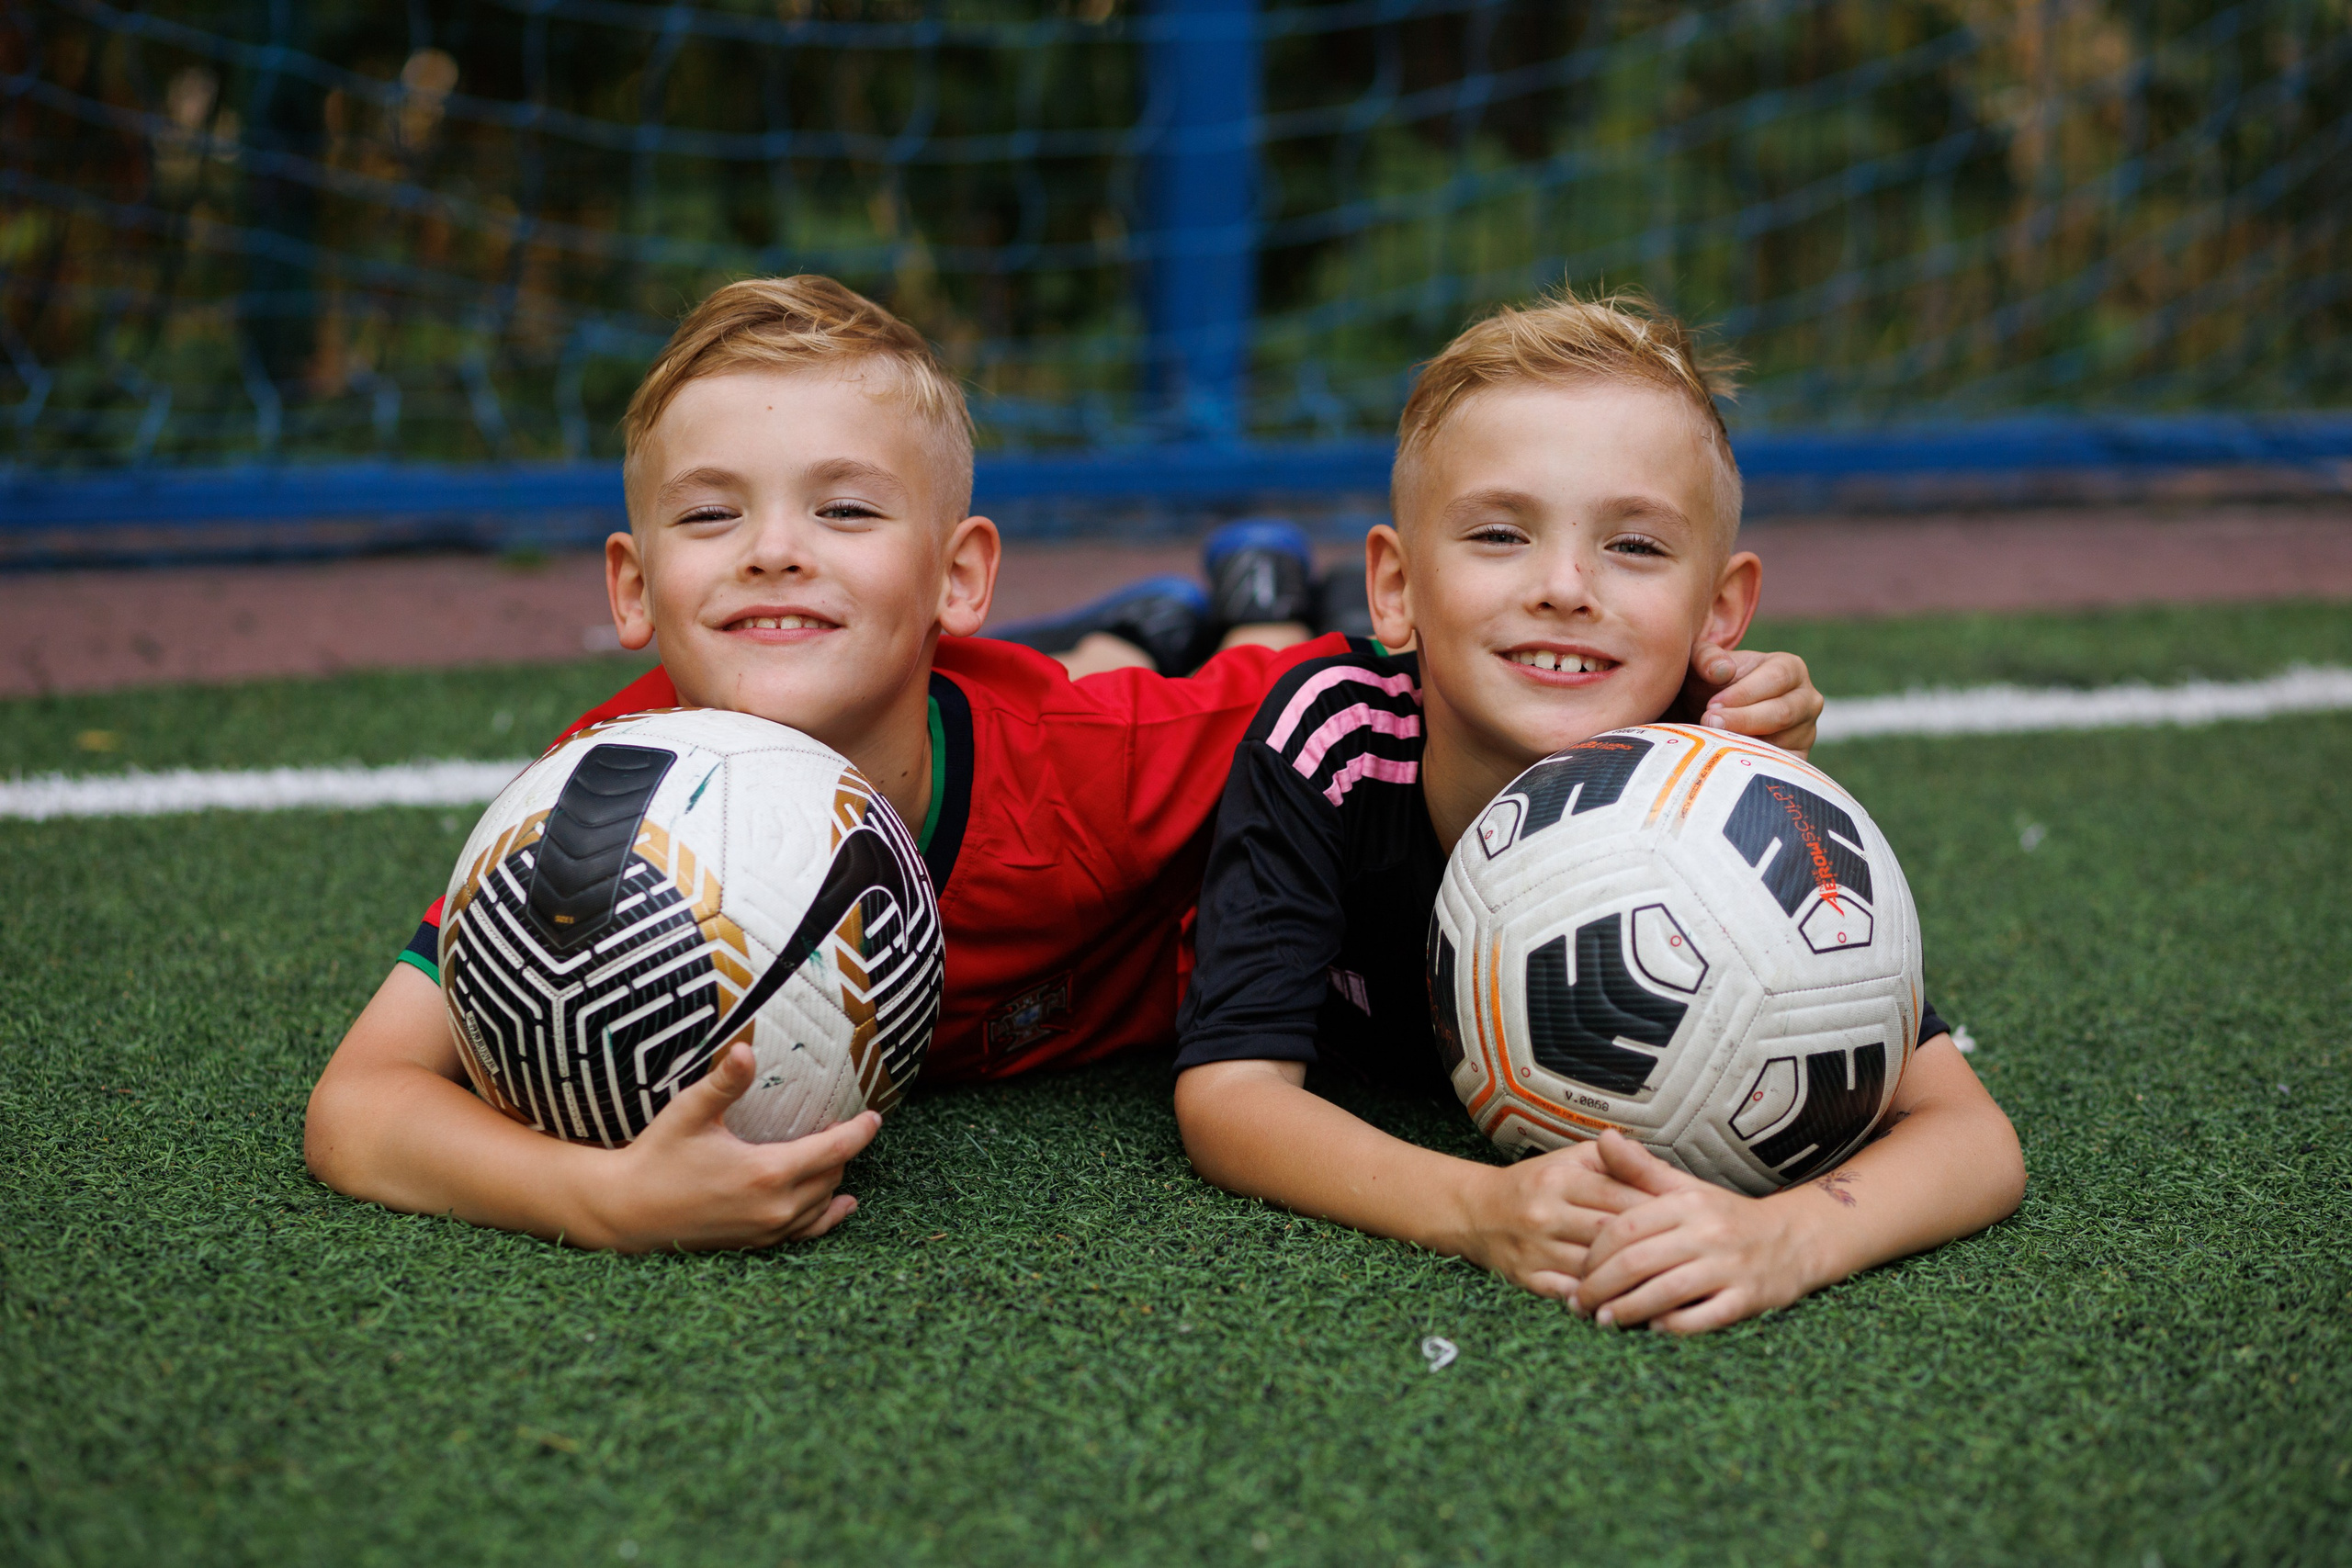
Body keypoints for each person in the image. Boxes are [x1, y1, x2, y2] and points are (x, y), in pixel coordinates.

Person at [304, 275, 1828, 1256]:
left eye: (843, 511)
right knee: (1100, 670)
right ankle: (1139, 618)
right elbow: (362, 1103)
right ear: (631, 589)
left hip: (1110, 713)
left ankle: (1208, 607)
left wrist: (1703, 725)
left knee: (1208, 669)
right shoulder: (604, 803)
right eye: (714, 518)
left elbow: (1427, 694)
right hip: (1014, 691)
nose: (773, 551)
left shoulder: (1095, 771)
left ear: (961, 572)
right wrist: (601, 1199)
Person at [1171, 288, 2025, 1335]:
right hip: (1228, 703)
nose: (1565, 586)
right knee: (1230, 665)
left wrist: (1788, 1239)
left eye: (1634, 547)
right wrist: (1478, 1209)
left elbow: (1973, 1139)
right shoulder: (1331, 741)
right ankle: (1204, 611)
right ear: (1394, 586)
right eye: (1498, 532)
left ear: (1719, 612)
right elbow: (1229, 1098)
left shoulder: (1732, 800)